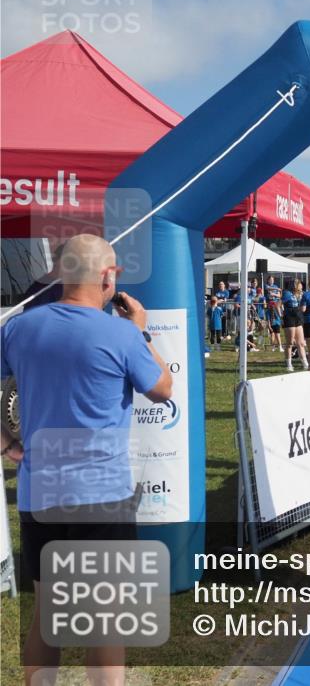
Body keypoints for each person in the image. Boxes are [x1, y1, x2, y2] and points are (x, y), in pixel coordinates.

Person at [0, 234, 171, 686]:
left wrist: (5, 443)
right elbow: (163, 388)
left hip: (40, 493)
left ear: (61, 272)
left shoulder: (18, 328)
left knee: (47, 614)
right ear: (107, 276)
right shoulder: (122, 333)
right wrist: (140, 330)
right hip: (101, 496)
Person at [282, 279, 308, 372]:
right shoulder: (287, 293)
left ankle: (305, 363)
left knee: (301, 343)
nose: (302, 286)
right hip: (289, 318)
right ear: (295, 285)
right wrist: (281, 315)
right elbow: (278, 304)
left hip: (298, 318)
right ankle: (289, 364)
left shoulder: (300, 294)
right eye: (300, 285)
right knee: (290, 343)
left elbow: (303, 307)